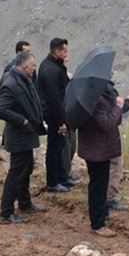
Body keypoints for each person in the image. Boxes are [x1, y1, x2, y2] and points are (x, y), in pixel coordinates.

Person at [0, 52, 48, 224]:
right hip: (18, 137)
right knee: (16, 172)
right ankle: (6, 213)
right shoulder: (11, 84)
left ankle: (25, 203)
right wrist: (21, 120)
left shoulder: (24, 78)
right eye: (33, 65)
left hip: (27, 135)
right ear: (25, 66)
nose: (34, 67)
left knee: (26, 169)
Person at [77, 92, 125, 237]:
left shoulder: (85, 96)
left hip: (94, 148)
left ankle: (101, 213)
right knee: (98, 186)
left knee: (100, 184)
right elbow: (105, 124)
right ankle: (98, 224)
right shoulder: (95, 99)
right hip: (97, 151)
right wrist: (118, 107)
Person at [36, 37, 79, 192]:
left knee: (61, 146)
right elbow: (54, 98)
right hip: (54, 115)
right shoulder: (50, 70)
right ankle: (52, 182)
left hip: (58, 113)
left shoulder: (55, 66)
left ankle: (62, 176)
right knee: (54, 148)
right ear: (56, 51)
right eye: (64, 51)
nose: (66, 54)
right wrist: (61, 121)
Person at [104, 81, 129, 211]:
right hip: (109, 132)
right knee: (115, 163)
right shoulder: (107, 89)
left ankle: (103, 196)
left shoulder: (89, 88)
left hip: (95, 137)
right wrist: (128, 102)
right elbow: (118, 108)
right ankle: (109, 197)